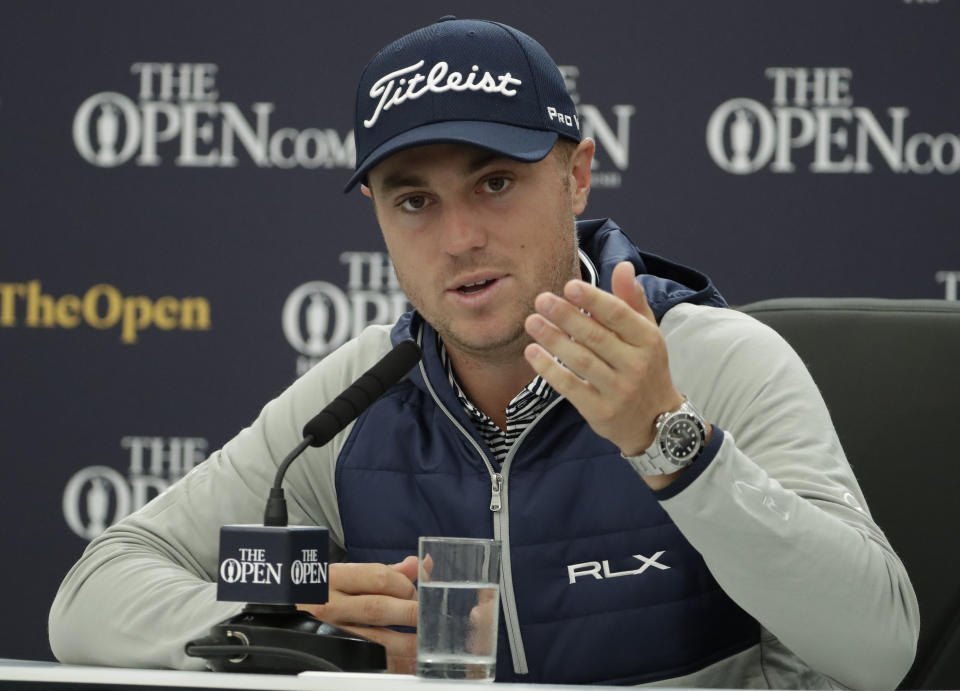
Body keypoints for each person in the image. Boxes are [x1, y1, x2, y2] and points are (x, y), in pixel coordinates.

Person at [50, 17, 919, 688]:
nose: (459, 237)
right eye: (414, 200)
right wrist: (265, 608)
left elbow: (880, 649)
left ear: (576, 175)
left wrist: (671, 442)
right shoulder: (351, 404)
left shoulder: (718, 360)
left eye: (494, 183)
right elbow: (94, 592)